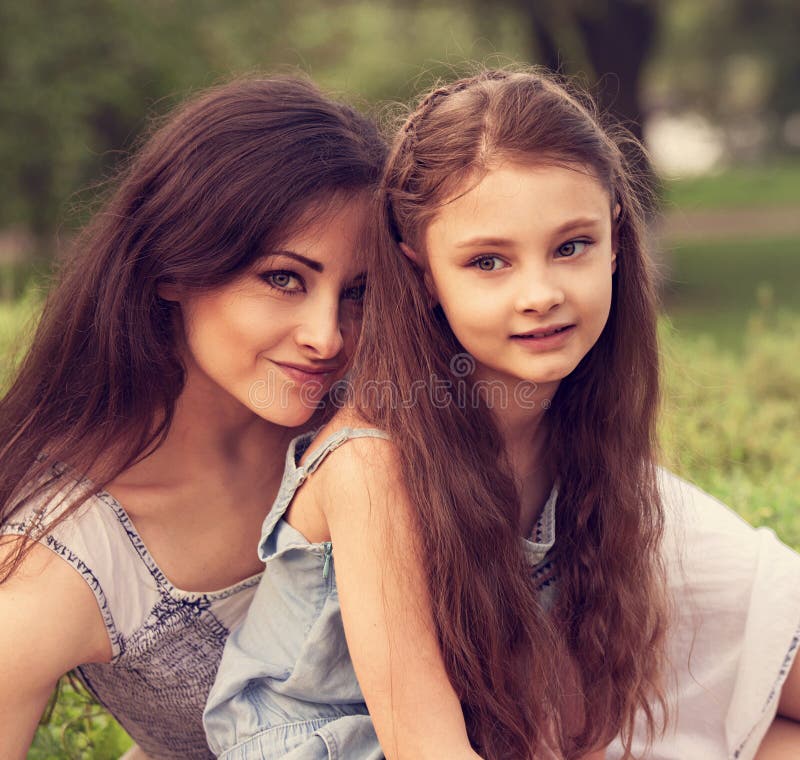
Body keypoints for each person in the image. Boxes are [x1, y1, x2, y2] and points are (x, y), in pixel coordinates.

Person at [204, 68, 800, 760]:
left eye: (571, 246)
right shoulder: (370, 459)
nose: (540, 293)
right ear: (422, 274)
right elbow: (424, 746)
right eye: (489, 262)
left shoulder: (574, 420)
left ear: (614, 241)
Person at [0, 75, 386, 759]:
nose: (327, 336)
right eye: (283, 278)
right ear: (172, 267)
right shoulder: (61, 560)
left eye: (356, 291)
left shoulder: (368, 426)